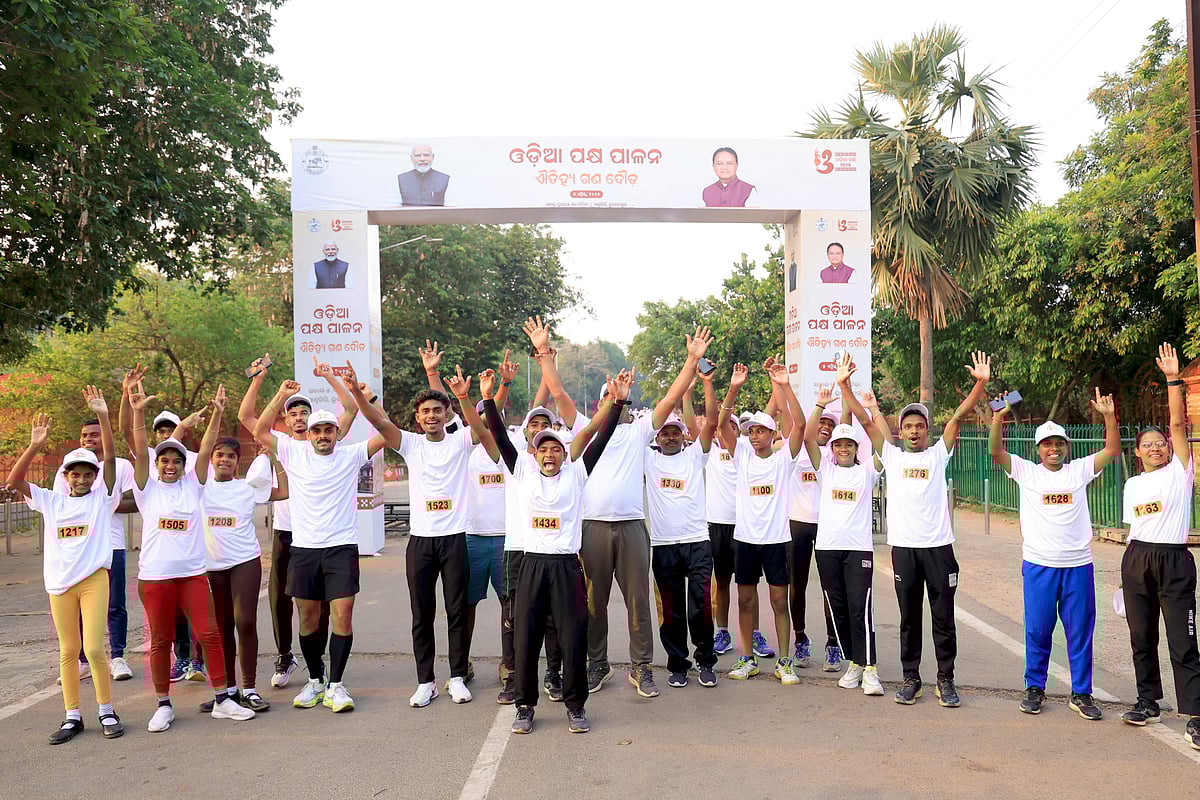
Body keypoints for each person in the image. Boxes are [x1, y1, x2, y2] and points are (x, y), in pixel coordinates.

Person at [563, 320, 710, 698]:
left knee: (638, 602)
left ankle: (641, 667)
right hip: (592, 528)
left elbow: (671, 398)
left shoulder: (640, 430)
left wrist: (692, 361)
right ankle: (597, 665)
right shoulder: (586, 428)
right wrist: (546, 355)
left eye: (622, 399)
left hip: (631, 528)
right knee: (593, 603)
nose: (617, 404)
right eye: (610, 399)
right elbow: (561, 395)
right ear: (600, 404)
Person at [483, 367, 631, 734]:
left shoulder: (578, 474)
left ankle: (576, 706)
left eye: (555, 449)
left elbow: (600, 436)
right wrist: (487, 399)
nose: (548, 454)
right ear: (533, 454)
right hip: (532, 566)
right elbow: (499, 435)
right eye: (542, 449)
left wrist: (618, 403)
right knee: (526, 638)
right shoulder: (522, 472)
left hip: (567, 567)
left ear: (564, 454)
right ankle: (524, 706)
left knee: (573, 637)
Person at [345, 361, 498, 708]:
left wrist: (463, 397)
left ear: (446, 414)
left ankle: (457, 677)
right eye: (425, 411)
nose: (431, 416)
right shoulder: (411, 444)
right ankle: (425, 680)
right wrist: (356, 392)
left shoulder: (460, 441)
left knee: (457, 610)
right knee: (422, 613)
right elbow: (378, 421)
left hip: (455, 538)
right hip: (421, 542)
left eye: (437, 410)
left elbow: (482, 427)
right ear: (417, 417)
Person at [857, 352, 990, 708]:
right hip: (905, 550)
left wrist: (980, 383)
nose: (914, 431)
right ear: (900, 430)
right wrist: (846, 388)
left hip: (938, 549)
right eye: (908, 426)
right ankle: (911, 678)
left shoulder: (938, 455)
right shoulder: (894, 457)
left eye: (920, 426)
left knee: (943, 617)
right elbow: (869, 424)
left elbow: (960, 416)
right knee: (909, 618)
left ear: (927, 429)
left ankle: (945, 680)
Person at [126, 370, 254, 731]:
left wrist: (216, 413)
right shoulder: (146, 489)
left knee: (210, 634)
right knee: (161, 641)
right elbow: (138, 447)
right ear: (157, 464)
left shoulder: (193, 486)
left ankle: (222, 700)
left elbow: (210, 442)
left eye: (176, 461)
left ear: (184, 466)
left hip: (193, 575)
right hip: (155, 577)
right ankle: (163, 704)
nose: (169, 465)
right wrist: (137, 412)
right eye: (164, 460)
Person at [253, 368, 385, 713]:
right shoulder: (292, 453)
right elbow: (258, 428)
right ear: (308, 434)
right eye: (317, 430)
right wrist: (280, 395)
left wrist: (364, 396)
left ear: (337, 432)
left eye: (329, 429)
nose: (323, 435)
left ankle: (337, 685)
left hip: (341, 549)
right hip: (304, 550)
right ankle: (315, 680)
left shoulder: (351, 454)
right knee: (309, 621)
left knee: (343, 617)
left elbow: (387, 430)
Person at [991, 386, 1120, 720]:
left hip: (1078, 566)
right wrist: (997, 418)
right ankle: (1035, 688)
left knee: (1080, 630)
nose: (1053, 449)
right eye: (1047, 444)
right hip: (1039, 566)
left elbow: (1112, 450)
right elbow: (996, 453)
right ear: (1038, 449)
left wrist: (1109, 417)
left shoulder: (1078, 470)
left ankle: (1081, 692)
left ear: (1067, 447)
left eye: (1059, 443)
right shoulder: (1026, 472)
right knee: (1038, 629)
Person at [7, 388, 125, 744]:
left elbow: (112, 461)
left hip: (93, 580)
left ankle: (106, 709)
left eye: (87, 473)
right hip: (59, 584)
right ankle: (72, 715)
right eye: (75, 474)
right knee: (68, 651)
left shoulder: (102, 499)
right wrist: (34, 446)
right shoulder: (51, 501)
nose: (82, 479)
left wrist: (104, 416)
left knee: (92, 648)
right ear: (66, 476)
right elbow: (13, 482)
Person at [238, 354, 355, 688]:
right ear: (286, 419)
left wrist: (331, 377)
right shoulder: (283, 445)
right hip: (288, 532)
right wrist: (262, 380)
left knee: (319, 605)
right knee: (280, 599)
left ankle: (319, 670)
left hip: (322, 537)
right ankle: (286, 656)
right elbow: (247, 417)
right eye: (295, 413)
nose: (301, 418)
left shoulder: (327, 441)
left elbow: (350, 411)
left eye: (305, 412)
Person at [1117, 343, 1200, 749]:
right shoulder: (1133, 485)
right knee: (1141, 635)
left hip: (1173, 559)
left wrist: (1173, 379)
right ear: (1137, 452)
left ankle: (1196, 715)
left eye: (1160, 443)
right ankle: (1147, 700)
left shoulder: (1181, 472)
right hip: (1137, 558)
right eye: (1147, 444)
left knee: (1183, 641)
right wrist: (1126, 575)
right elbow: (1134, 529)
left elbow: (1179, 425)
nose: (1155, 447)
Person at [197, 387, 288, 713]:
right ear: (213, 460)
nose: (224, 459)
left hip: (244, 562)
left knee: (245, 621)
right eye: (219, 455)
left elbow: (284, 491)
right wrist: (218, 413)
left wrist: (275, 457)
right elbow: (204, 447)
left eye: (231, 456)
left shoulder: (247, 489)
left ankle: (249, 688)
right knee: (219, 628)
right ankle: (226, 690)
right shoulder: (200, 487)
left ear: (238, 462)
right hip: (212, 565)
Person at [717, 359, 807, 685]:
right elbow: (721, 422)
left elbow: (799, 424)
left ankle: (785, 661)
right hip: (745, 541)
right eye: (751, 431)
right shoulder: (740, 455)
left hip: (776, 541)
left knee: (779, 602)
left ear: (772, 434)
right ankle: (747, 658)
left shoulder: (784, 460)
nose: (754, 436)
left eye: (761, 431)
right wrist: (734, 387)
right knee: (744, 600)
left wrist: (783, 385)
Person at [805, 363, 885, 697]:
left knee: (859, 606)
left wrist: (872, 410)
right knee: (836, 607)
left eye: (849, 446)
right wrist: (821, 404)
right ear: (832, 450)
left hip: (858, 549)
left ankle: (870, 669)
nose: (842, 450)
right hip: (826, 548)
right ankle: (853, 662)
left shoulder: (867, 471)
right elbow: (807, 436)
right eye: (838, 446)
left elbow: (885, 445)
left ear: (856, 449)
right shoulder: (826, 468)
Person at [644, 354, 720, 689]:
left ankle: (705, 661)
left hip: (697, 543)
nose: (670, 437)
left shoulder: (695, 455)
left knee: (700, 607)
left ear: (683, 436)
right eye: (665, 433)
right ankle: (677, 664)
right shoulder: (647, 459)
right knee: (671, 611)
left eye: (675, 432)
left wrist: (706, 384)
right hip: (663, 547)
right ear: (657, 438)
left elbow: (713, 423)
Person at [53, 415, 138, 683]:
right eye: (85, 435)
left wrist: (103, 506)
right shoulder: (67, 466)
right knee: (76, 606)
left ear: (104, 435)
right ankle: (81, 660)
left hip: (111, 545)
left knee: (115, 604)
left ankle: (117, 657)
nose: (89, 439)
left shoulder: (120, 466)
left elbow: (135, 500)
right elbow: (59, 503)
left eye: (94, 434)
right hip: (76, 549)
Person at [788, 401, 844, 673]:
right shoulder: (798, 450)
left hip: (827, 527)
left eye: (829, 425)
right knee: (797, 586)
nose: (825, 428)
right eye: (821, 423)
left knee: (829, 588)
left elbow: (847, 423)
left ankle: (833, 644)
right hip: (797, 524)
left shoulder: (835, 455)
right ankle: (800, 638)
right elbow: (801, 428)